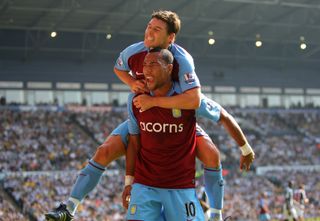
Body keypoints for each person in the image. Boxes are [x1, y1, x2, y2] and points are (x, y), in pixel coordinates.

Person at [45, 10, 255, 221]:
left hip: (177, 120)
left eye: (157, 29)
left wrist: (245, 148)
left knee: (212, 154)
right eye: (148, 27)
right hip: (144, 120)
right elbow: (118, 69)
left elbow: (194, 101)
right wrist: (131, 83)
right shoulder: (134, 55)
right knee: (104, 151)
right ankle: (69, 208)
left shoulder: (183, 60)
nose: (149, 33)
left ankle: (216, 215)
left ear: (170, 38)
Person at [123, 47, 205, 220]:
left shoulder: (187, 98)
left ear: (169, 68)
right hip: (144, 185)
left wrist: (244, 147)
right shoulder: (134, 100)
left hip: (179, 186)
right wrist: (129, 183)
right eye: (144, 64)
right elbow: (134, 143)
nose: (146, 69)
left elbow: (221, 115)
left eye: (153, 64)